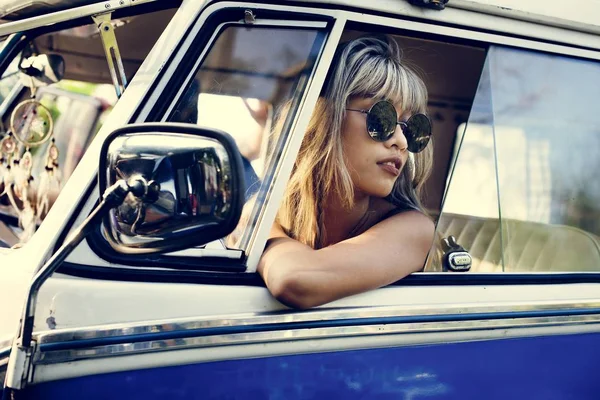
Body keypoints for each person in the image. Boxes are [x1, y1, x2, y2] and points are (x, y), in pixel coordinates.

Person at [257, 35, 435, 309]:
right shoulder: (270, 211)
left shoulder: (414, 230)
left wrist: (263, 235)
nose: (400, 141)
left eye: (411, 128)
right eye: (381, 117)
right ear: (322, 118)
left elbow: (295, 279)